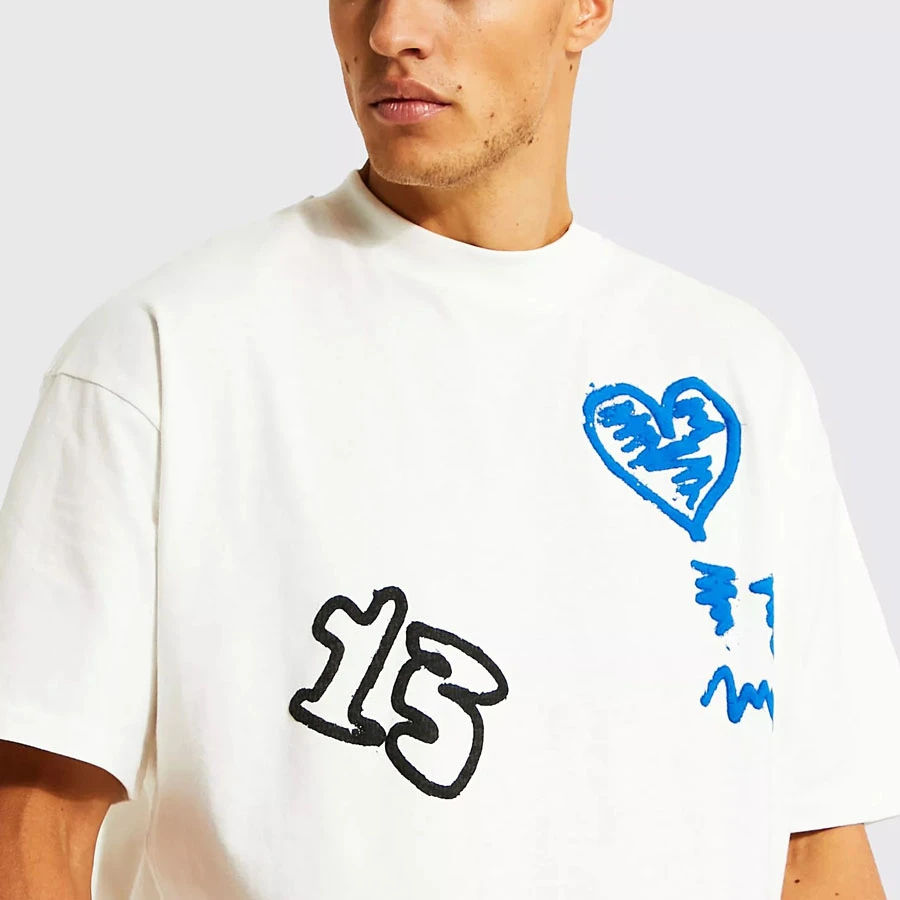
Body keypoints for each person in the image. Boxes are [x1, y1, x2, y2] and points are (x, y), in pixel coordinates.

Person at [2, 0, 900, 897]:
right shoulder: (168, 354)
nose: (390, 30)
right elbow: (31, 823)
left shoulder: (736, 368)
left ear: (586, 10)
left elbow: (814, 848)